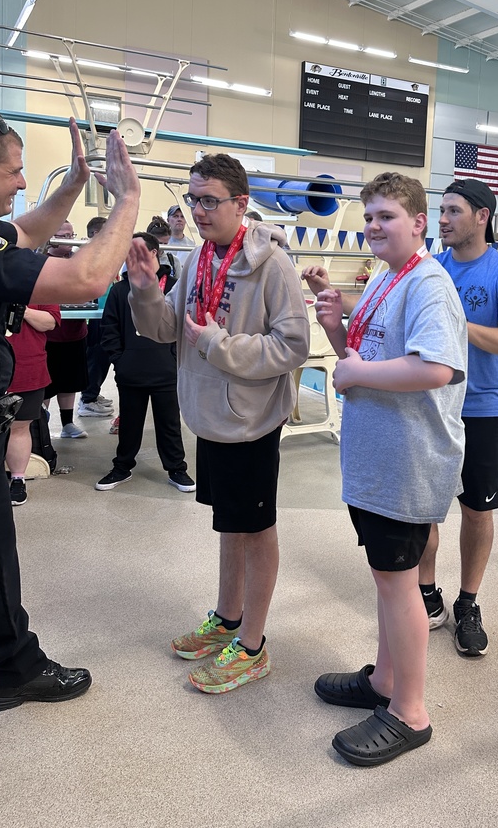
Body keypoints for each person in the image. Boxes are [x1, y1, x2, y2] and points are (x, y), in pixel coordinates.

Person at [0, 111, 139, 715]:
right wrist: (127, 200)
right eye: (15, 170)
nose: (22, 182)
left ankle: (16, 667)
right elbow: (84, 277)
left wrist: (73, 186)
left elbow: (19, 236)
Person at [126, 153, 309, 694]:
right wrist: (144, 289)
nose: (199, 210)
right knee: (230, 523)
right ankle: (228, 620)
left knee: (256, 528)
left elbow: (293, 345)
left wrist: (216, 343)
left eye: (209, 200)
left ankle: (253, 647)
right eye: (193, 199)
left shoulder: (272, 264)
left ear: (241, 203)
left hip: (250, 419)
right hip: (210, 415)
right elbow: (167, 329)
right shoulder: (200, 257)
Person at [309, 172, 466, 766]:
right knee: (385, 576)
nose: (374, 226)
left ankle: (411, 712)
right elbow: (368, 353)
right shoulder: (385, 277)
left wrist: (354, 375)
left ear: (419, 223)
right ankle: (383, 682)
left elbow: (434, 369)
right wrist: (334, 330)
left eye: (387, 217)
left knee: (400, 583)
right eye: (369, 216)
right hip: (377, 457)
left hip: (408, 459)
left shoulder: (428, 283)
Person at [424, 178, 498, 655]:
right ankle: (427, 593)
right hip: (433, 403)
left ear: (481, 216)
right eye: (440, 210)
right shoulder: (432, 268)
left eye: (452, 211)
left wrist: (454, 322)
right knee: (423, 506)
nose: (442, 219)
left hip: (483, 408)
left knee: (477, 509)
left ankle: (468, 602)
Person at [95, 232, 195, 493]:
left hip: (167, 370)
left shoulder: (174, 286)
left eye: (138, 252)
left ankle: (177, 469)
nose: (133, 258)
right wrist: (120, 360)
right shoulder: (119, 290)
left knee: (170, 423)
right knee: (129, 423)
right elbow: (109, 329)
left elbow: (184, 325)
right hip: (131, 370)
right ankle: (122, 466)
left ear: (154, 253)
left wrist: (177, 360)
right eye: (128, 253)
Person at [5, 302, 61, 506]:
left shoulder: (40, 284)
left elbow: (50, 322)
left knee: (19, 426)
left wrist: (22, 310)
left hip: (27, 367)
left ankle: (18, 479)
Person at [43, 221, 90, 439]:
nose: (70, 240)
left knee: (69, 381)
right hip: (47, 335)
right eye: (65, 236)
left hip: (74, 332)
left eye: (72, 235)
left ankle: (67, 424)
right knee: (44, 383)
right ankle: (39, 425)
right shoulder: (41, 262)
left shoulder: (78, 261)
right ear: (51, 237)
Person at [78, 215, 115, 417]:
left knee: (103, 357)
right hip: (93, 315)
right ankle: (88, 399)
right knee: (96, 357)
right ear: (95, 234)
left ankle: (94, 393)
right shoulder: (87, 256)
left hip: (104, 313)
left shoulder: (105, 255)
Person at [147, 215, 182, 280]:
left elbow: (179, 286)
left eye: (165, 244)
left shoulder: (174, 261)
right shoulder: (137, 259)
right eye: (159, 243)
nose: (161, 247)